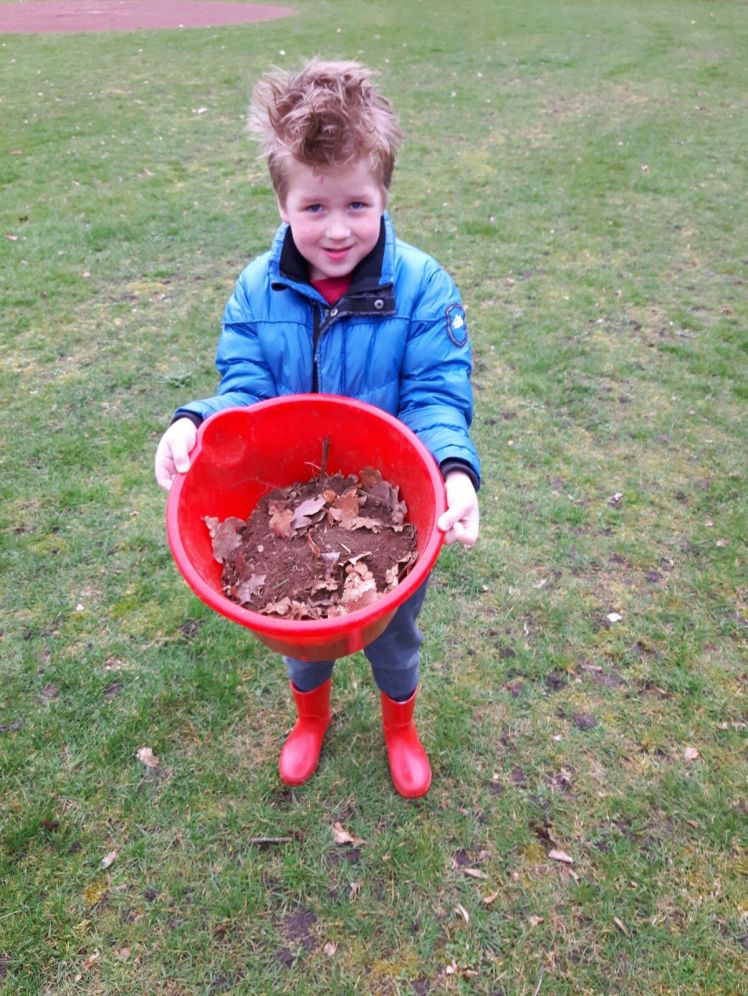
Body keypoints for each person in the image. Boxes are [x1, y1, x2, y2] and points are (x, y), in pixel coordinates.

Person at [155, 59, 480, 798]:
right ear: (283, 205)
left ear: (384, 196)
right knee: (302, 642)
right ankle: (311, 717)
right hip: (290, 511)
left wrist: (453, 470)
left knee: (395, 641)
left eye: (357, 204)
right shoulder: (257, 289)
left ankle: (400, 725)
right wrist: (195, 422)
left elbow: (435, 397)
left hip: (393, 512)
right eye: (314, 207)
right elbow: (244, 393)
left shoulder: (423, 287)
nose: (337, 230)